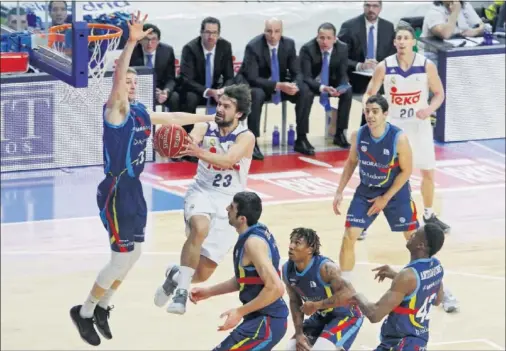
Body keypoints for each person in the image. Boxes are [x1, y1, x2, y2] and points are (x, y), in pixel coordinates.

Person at [69, 12, 217, 347]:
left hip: (134, 190)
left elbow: (174, 117)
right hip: (116, 189)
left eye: (136, 83)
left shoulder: (140, 112)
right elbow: (118, 80)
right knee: (121, 257)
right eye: (127, 83)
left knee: (133, 255)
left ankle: (104, 306)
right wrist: (131, 42)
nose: (131, 86)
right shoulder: (115, 110)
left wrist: (206, 116)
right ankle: (85, 311)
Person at [362, 25, 458, 312]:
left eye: (406, 38)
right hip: (394, 130)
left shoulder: (426, 65)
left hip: (417, 127)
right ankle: (364, 222)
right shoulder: (384, 66)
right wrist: (375, 116)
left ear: (413, 42)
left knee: (424, 173)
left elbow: (439, 93)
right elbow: (370, 93)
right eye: (398, 38)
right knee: (380, 180)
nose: (401, 42)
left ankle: (429, 214)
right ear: (394, 42)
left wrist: (429, 109)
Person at [153, 84, 256, 315]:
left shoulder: (246, 137)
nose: (220, 109)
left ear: (238, 113)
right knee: (200, 227)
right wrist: (173, 146)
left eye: (226, 106)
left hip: (230, 203)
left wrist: (197, 152)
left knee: (203, 272)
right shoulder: (204, 125)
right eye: (219, 103)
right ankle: (181, 294)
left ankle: (175, 276)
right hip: (201, 191)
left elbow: (228, 160)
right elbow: (189, 142)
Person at [333, 94, 417, 286]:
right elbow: (351, 162)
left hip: (395, 192)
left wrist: (385, 198)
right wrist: (339, 191)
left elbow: (407, 171)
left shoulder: (399, 138)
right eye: (367, 111)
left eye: (375, 112)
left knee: (414, 240)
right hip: (367, 191)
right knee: (349, 236)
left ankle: (433, 286)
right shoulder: (358, 135)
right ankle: (345, 288)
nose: (370, 115)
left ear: (385, 114)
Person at [190, 191, 289, 350]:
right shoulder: (255, 232)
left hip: (266, 321)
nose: (227, 208)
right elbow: (245, 279)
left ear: (242, 219)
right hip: (259, 319)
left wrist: (239, 312)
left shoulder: (253, 243)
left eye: (232, 207)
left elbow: (277, 287)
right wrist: (209, 292)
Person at [350, 223, 445, 351]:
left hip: (400, 343)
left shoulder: (407, 276)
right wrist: (396, 276)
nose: (411, 234)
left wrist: (356, 295)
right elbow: (437, 299)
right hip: (418, 342)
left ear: (420, 245)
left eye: (416, 234)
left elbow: (375, 314)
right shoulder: (436, 267)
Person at [283, 228, 363, 351]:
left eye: (297, 243)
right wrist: (299, 333)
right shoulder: (287, 270)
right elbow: (295, 301)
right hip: (321, 316)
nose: (291, 246)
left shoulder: (326, 268)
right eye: (291, 242)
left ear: (310, 249)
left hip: (346, 315)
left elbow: (349, 294)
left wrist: (316, 305)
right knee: (292, 348)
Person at [299, 22, 353, 148]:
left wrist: (342, 86)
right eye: (321, 38)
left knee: (348, 92)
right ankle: (302, 137)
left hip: (331, 81)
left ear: (335, 39)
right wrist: (322, 88)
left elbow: (343, 73)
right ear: (317, 37)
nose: (324, 41)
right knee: (306, 93)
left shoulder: (343, 48)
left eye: (328, 38)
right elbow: (305, 76)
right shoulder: (307, 49)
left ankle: (340, 134)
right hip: (312, 83)